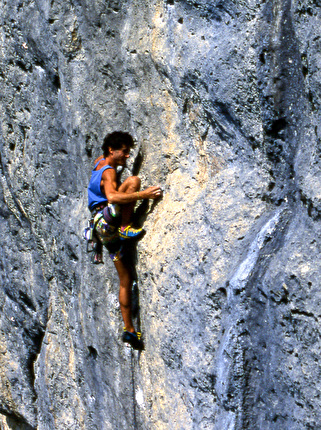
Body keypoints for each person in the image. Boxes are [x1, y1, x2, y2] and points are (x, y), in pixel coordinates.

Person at [87, 131, 162, 350]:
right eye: (124, 151)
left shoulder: (99, 163)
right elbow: (112, 197)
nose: (127, 156)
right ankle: (125, 227)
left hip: (101, 231)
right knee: (133, 181)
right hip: (109, 221)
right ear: (112, 150)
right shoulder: (108, 171)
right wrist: (144, 195)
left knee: (125, 278)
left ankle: (129, 329)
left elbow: (103, 182)